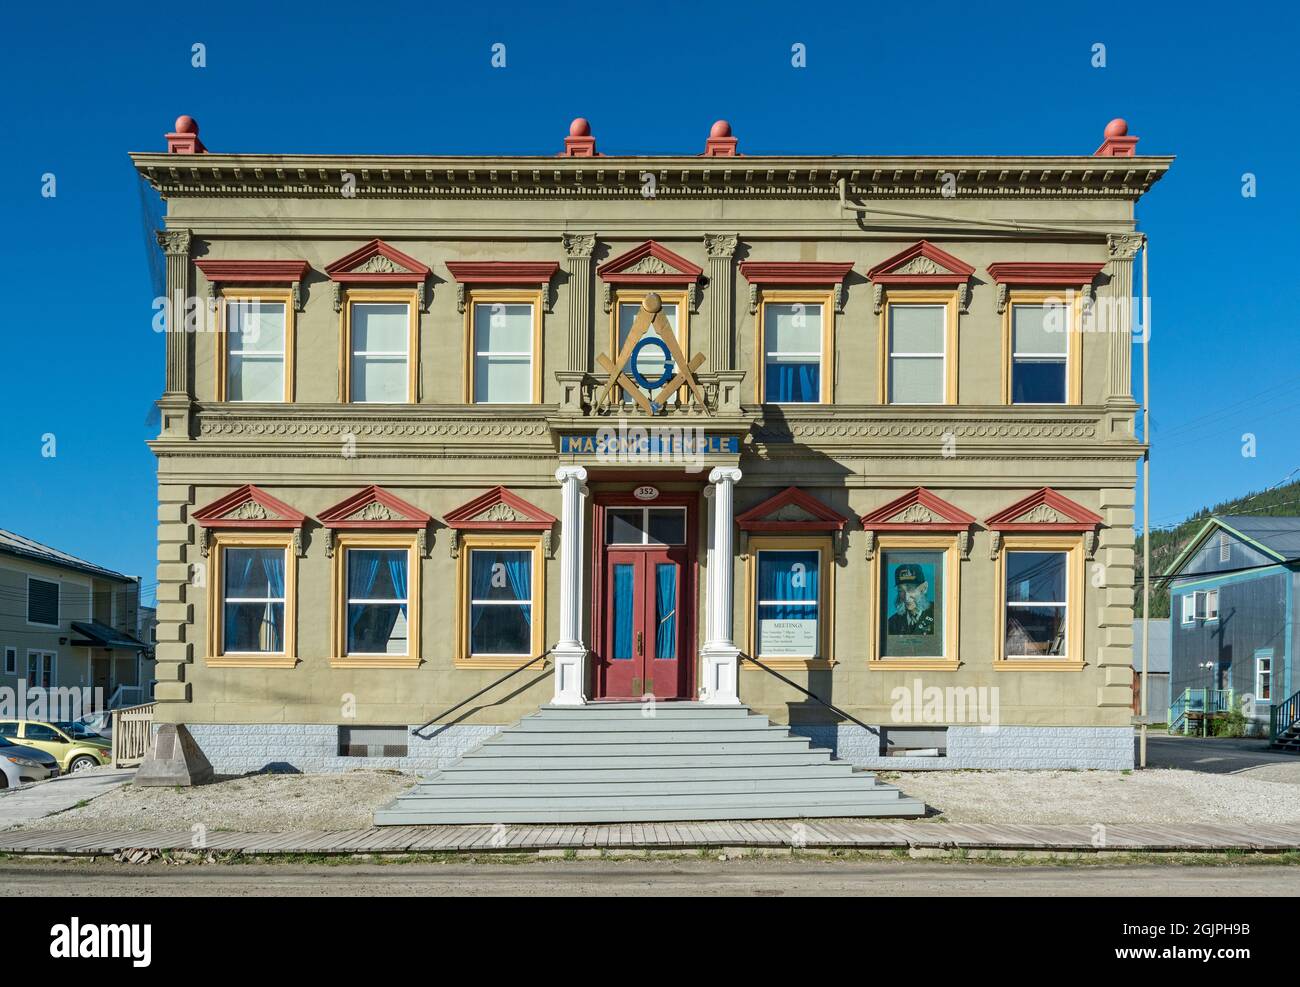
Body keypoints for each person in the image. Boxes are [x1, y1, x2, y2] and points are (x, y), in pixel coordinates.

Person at [888, 564, 935, 636]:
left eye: (911, 589)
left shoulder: (939, 614)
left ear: (924, 588)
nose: (906, 597)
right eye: (901, 590)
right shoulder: (892, 623)